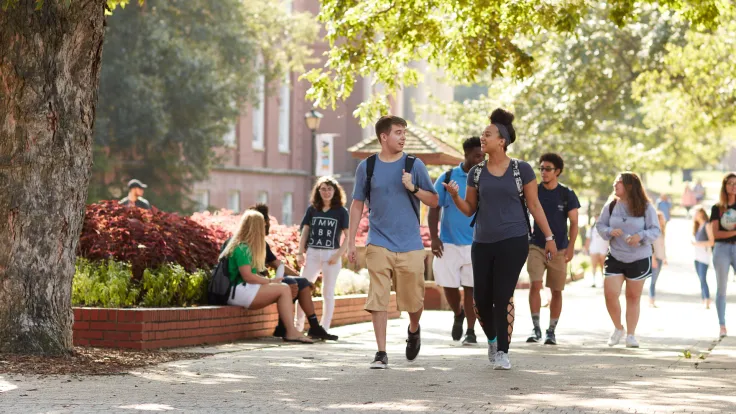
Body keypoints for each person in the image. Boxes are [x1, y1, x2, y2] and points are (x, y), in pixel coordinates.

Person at [444, 108, 558, 370]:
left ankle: (503, 352)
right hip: (482, 241)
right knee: (481, 300)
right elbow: (470, 209)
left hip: (514, 240)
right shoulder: (476, 172)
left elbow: (534, 205)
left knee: (502, 294)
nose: (482, 138)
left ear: (502, 141)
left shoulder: (522, 169)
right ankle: (493, 341)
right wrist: (454, 196)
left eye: (487, 135)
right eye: (482, 135)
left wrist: (549, 236)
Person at [347, 115, 438, 369]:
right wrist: (351, 242)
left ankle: (413, 327)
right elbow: (356, 205)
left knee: (413, 300)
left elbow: (433, 200)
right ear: (383, 137)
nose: (403, 136)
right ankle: (381, 352)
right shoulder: (367, 167)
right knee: (378, 295)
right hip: (378, 241)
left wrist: (413, 188)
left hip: (410, 244)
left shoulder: (414, 165)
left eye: (404, 132)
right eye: (398, 132)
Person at [220, 210, 312, 344]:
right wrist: (270, 281)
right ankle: (290, 331)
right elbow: (248, 277)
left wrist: (270, 282)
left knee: (284, 288)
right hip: (238, 292)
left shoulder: (244, 246)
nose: (264, 228)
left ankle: (288, 329)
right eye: (262, 226)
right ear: (255, 227)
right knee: (283, 289)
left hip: (243, 290)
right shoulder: (242, 248)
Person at [248, 204, 337, 341]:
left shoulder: (262, 244)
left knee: (300, 282)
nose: (269, 223)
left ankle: (314, 327)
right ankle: (283, 327)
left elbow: (278, 264)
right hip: (253, 285)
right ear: (261, 222)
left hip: (262, 284)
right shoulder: (246, 244)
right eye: (267, 220)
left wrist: (305, 280)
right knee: (289, 283)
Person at [428, 136, 485, 345]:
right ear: (467, 155)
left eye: (483, 156)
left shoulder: (485, 177)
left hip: (475, 243)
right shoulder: (448, 176)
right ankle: (458, 313)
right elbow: (434, 207)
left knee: (471, 288)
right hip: (448, 243)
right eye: (477, 156)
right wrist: (434, 238)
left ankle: (471, 330)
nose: (481, 159)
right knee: (448, 286)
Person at [596, 172, 661, 348]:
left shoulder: (646, 207)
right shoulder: (611, 206)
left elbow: (655, 230)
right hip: (616, 255)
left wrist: (640, 235)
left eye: (619, 183)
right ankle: (618, 328)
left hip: (639, 258)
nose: (614, 185)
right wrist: (609, 231)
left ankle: (631, 335)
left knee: (633, 297)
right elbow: (600, 225)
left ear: (630, 186)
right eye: (615, 182)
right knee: (610, 295)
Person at [526, 153, 580, 346]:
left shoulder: (567, 194)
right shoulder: (534, 191)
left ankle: (551, 331)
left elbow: (574, 223)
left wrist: (571, 247)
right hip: (536, 245)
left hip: (559, 250)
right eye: (541, 168)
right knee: (535, 284)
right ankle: (535, 327)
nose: (543, 172)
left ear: (557, 171)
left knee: (556, 290)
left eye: (547, 169)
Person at [296, 176, 349, 333]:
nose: (326, 192)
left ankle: (324, 328)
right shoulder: (312, 209)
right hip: (312, 253)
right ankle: (297, 327)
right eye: (323, 189)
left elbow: (348, 236)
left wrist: (338, 255)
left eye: (329, 189)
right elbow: (305, 232)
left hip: (331, 255)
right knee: (302, 288)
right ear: (318, 191)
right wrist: (300, 252)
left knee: (328, 292)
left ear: (335, 191)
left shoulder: (341, 211)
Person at [711, 173, 736, 338]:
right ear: (725, 186)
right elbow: (716, 234)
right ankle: (722, 325)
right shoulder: (717, 208)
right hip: (721, 250)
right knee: (722, 288)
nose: (733, 186)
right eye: (730, 183)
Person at [692, 207, 714, 309]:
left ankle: (707, 299)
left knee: (703, 278)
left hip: (704, 257)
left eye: (696, 213)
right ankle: (703, 298)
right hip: (696, 256)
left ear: (701, 213)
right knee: (700, 279)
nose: (694, 215)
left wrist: (698, 243)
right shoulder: (697, 226)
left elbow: (711, 242)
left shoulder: (707, 225)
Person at [648, 211, 668, 308]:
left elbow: (662, 246)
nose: (663, 220)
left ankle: (651, 299)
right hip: (654, 259)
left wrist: (665, 258)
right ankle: (651, 299)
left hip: (660, 258)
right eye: (661, 219)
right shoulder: (654, 231)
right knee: (652, 280)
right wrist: (653, 258)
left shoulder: (662, 230)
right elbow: (650, 245)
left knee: (654, 280)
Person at [584, 214, 609, 288]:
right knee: (594, 266)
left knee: (603, 266)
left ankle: (603, 282)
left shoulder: (606, 228)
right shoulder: (591, 228)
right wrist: (586, 249)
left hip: (603, 249)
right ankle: (594, 281)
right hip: (593, 249)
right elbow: (588, 239)